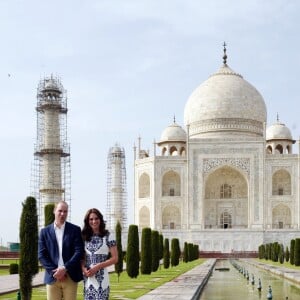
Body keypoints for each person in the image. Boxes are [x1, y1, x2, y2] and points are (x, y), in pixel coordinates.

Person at [38, 200, 84, 300]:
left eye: (65, 211)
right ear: (54, 211)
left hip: (70, 276)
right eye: (60, 211)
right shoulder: (44, 232)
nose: (62, 214)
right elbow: (41, 255)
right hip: (52, 277)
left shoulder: (75, 230)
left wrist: (64, 268)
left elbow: (79, 252)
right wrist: (56, 272)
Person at [81, 208, 118, 300]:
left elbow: (115, 258)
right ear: (87, 221)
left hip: (102, 277)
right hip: (88, 277)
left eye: (96, 218)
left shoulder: (108, 236)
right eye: (91, 219)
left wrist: (98, 266)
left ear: (100, 219)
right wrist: (84, 269)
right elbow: (81, 258)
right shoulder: (84, 237)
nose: (94, 221)